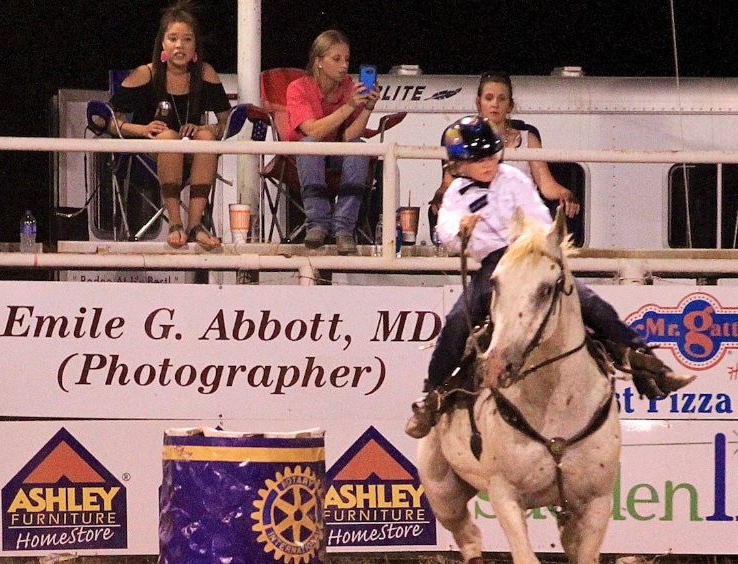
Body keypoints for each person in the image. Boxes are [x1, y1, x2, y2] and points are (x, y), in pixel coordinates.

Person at [405, 115, 695, 439]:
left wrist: (534, 241)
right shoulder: (457, 193)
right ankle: (432, 395)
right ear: (459, 164)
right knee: (459, 319)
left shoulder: (513, 179)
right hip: (493, 267)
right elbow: (445, 230)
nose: (488, 163)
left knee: (593, 305)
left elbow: (540, 216)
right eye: (478, 158)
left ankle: (647, 364)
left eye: (491, 155)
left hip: (529, 256)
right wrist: (460, 231)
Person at [110, 1, 231, 251]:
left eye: (187, 39)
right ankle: (175, 223)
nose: (180, 45)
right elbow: (108, 119)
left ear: (195, 45)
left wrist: (207, 130)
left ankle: (195, 225)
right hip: (150, 154)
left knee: (207, 138)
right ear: (162, 44)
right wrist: (142, 129)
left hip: (193, 152)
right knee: (169, 136)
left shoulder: (205, 73)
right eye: (173, 38)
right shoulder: (147, 74)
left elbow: (226, 119)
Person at [429, 70, 580, 236]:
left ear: (510, 105)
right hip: (481, 215)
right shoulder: (464, 138)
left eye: (502, 99)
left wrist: (566, 193)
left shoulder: (528, 138)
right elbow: (449, 182)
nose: (495, 104)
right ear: (479, 103)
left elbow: (545, 184)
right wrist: (441, 194)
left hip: (520, 216)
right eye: (489, 98)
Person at [285, 30, 382, 255]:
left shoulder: (350, 87)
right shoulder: (298, 88)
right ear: (318, 62)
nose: (344, 66)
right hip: (302, 157)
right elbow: (313, 130)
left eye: (346, 60)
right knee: (310, 145)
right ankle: (317, 224)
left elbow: (349, 136)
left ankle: (344, 229)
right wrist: (348, 106)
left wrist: (368, 107)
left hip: (336, 152)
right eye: (336, 59)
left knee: (358, 148)